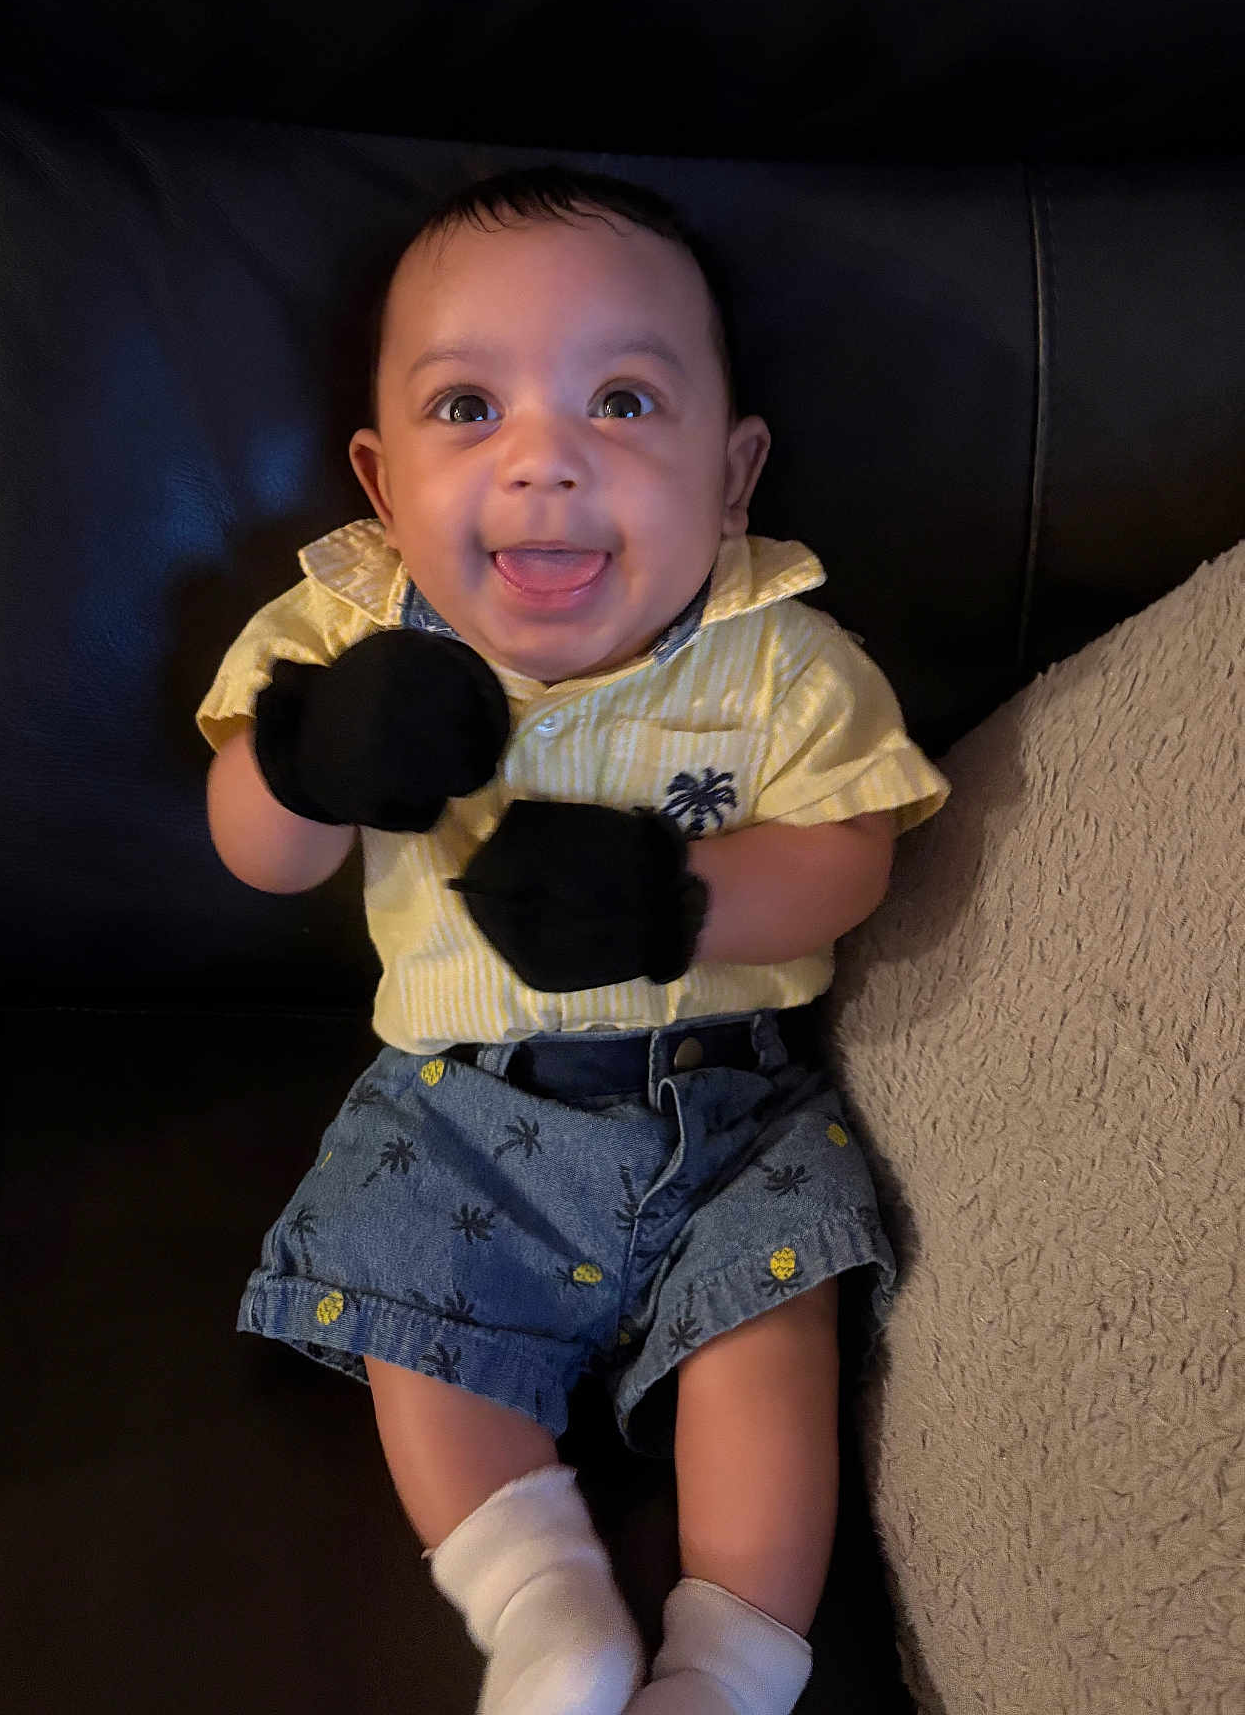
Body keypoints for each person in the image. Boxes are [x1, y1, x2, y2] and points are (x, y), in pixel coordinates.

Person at [198, 165, 949, 1715]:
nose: (544, 465)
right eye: (468, 409)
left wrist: (685, 899)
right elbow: (259, 856)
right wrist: (307, 761)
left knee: (774, 1328)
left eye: (620, 401)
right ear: (383, 477)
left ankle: (731, 1666)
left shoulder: (784, 660)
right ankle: (540, 1605)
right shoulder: (347, 633)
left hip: (729, 1105)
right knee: (414, 1316)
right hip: (459, 1112)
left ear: (733, 477)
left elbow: (851, 856)